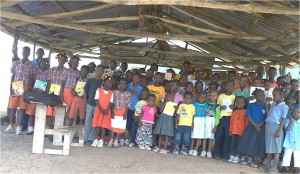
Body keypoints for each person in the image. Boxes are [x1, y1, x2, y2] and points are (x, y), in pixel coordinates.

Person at [5, 46, 34, 135]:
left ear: (29, 53)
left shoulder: (31, 64)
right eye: (24, 51)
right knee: (12, 107)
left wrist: (29, 88)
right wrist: (10, 87)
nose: (25, 52)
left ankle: (19, 126)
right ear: (21, 52)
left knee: (22, 108)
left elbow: (31, 78)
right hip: (16, 84)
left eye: (27, 51)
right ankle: (11, 125)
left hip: (25, 86)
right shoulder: (16, 63)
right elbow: (13, 76)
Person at [238, 89, 266, 168]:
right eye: (260, 95)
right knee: (248, 142)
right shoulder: (251, 105)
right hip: (251, 126)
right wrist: (255, 125)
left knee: (257, 143)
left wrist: (259, 125)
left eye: (263, 95)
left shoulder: (265, 106)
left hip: (260, 127)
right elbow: (248, 115)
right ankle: (246, 158)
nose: (262, 97)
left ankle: (255, 160)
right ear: (255, 96)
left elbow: (265, 117)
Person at [264, 88, 289, 173]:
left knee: (276, 148)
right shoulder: (273, 104)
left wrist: (279, 130)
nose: (273, 96)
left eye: (274, 95)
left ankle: (274, 167)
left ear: (281, 95)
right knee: (269, 146)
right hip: (269, 126)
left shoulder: (284, 106)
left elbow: (283, 119)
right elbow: (269, 115)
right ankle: (267, 164)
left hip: (277, 127)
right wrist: (267, 107)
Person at [25, 58, 50, 134]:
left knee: (42, 111)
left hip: (43, 94)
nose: (44, 65)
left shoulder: (49, 72)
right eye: (42, 63)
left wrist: (46, 91)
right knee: (31, 111)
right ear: (39, 64)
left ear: (48, 64)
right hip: (34, 93)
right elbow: (31, 81)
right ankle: (30, 128)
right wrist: (32, 88)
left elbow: (49, 83)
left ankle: (39, 128)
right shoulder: (35, 71)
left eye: (46, 63)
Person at [214, 80, 236, 160]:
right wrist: (220, 107)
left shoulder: (234, 97)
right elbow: (217, 107)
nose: (229, 88)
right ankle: (216, 153)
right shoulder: (221, 96)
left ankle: (225, 154)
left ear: (233, 88)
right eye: (227, 86)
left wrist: (234, 107)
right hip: (221, 117)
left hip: (230, 118)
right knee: (219, 136)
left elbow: (236, 108)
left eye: (231, 86)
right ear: (224, 87)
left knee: (228, 137)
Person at [83, 65, 104, 145]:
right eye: (97, 70)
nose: (99, 71)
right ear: (95, 71)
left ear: (103, 72)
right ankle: (85, 138)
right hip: (90, 103)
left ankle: (91, 139)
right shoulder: (91, 80)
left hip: (98, 105)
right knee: (87, 121)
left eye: (101, 70)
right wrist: (85, 101)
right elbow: (85, 90)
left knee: (95, 122)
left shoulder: (103, 82)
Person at [91, 75, 114, 148]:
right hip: (99, 110)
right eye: (108, 82)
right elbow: (96, 99)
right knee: (98, 125)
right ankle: (96, 139)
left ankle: (101, 139)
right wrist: (101, 109)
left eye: (111, 82)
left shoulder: (111, 92)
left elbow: (111, 102)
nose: (110, 83)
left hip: (107, 111)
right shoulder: (99, 90)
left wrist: (106, 110)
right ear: (104, 82)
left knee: (104, 126)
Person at [111, 78, 131, 147]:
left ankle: (116, 140)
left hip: (123, 111)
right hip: (115, 111)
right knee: (113, 126)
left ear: (126, 85)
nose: (123, 85)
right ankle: (111, 140)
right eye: (121, 83)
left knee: (120, 127)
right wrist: (112, 112)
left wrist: (125, 113)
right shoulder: (115, 92)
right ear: (119, 85)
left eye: (124, 84)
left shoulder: (128, 94)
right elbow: (113, 103)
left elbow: (128, 105)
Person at [228, 96, 248, 164]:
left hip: (241, 132)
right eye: (238, 103)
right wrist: (230, 129)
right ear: (235, 103)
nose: (239, 104)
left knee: (239, 144)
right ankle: (232, 155)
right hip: (234, 131)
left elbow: (246, 123)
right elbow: (231, 121)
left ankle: (238, 156)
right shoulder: (234, 111)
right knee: (233, 144)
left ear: (244, 104)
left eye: (241, 103)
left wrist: (245, 131)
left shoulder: (245, 112)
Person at [125, 73, 143, 145]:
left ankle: (131, 138)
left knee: (133, 124)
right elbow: (124, 94)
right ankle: (125, 137)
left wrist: (137, 94)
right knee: (127, 123)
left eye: (137, 78)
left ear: (139, 79)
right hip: (128, 108)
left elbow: (141, 99)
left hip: (135, 109)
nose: (135, 79)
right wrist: (129, 91)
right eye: (134, 78)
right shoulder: (129, 86)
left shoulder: (141, 88)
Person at [281, 107, 300, 173]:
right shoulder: (288, 121)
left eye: (298, 112)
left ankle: (297, 169)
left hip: (298, 143)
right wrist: (292, 121)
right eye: (294, 112)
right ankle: (284, 168)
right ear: (291, 113)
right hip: (289, 141)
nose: (296, 113)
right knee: (287, 155)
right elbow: (287, 129)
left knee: (297, 156)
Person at [189, 92, 208, 157]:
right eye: (201, 96)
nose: (202, 98)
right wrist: (192, 123)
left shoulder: (206, 105)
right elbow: (192, 115)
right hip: (195, 120)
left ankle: (196, 150)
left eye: (204, 97)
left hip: (202, 121)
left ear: (206, 98)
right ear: (197, 97)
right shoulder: (194, 105)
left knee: (199, 136)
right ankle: (191, 149)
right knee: (193, 135)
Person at [205, 90, 220, 158]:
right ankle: (203, 150)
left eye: (214, 96)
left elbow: (217, 116)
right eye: (211, 95)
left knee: (211, 137)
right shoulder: (206, 104)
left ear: (217, 97)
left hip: (213, 122)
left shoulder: (217, 106)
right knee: (205, 136)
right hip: (206, 121)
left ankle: (209, 151)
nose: (212, 97)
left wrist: (216, 125)